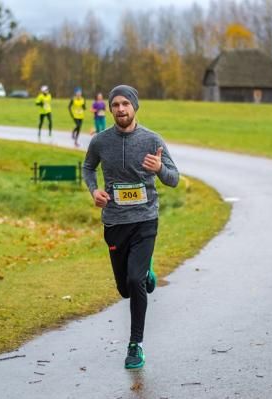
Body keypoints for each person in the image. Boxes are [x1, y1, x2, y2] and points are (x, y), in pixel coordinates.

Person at [83, 85, 179, 369]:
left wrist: (159, 168)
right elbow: (88, 167)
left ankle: (135, 345)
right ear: (110, 109)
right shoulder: (100, 141)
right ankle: (145, 272)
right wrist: (94, 190)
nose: (121, 109)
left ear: (135, 107)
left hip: (145, 219)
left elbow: (173, 178)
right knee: (125, 288)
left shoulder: (152, 140)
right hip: (114, 221)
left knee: (135, 281)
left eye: (126, 104)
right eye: (116, 105)